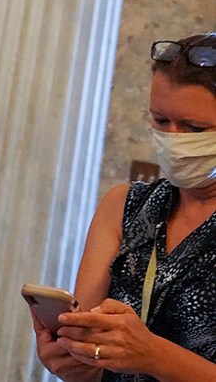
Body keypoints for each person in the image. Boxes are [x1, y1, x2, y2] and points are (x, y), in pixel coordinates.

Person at [30, 33, 216, 381]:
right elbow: (91, 357)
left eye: (193, 128)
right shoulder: (125, 206)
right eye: (161, 121)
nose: (173, 139)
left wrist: (155, 356)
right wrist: (71, 359)